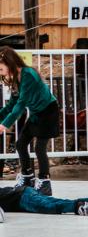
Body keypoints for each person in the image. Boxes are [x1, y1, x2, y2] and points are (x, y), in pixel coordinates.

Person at [0, 47, 62, 196]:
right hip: (36, 114)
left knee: (40, 148)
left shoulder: (28, 75)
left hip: (48, 111)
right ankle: (28, 177)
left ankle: (44, 182)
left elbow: (21, 105)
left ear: (9, 63)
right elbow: (11, 105)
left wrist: (4, 125)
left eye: (0, 67)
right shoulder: (15, 79)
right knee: (21, 144)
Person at [0, 182, 88, 220]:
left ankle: (80, 207)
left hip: (22, 196)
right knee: (53, 203)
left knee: (48, 206)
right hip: (22, 202)